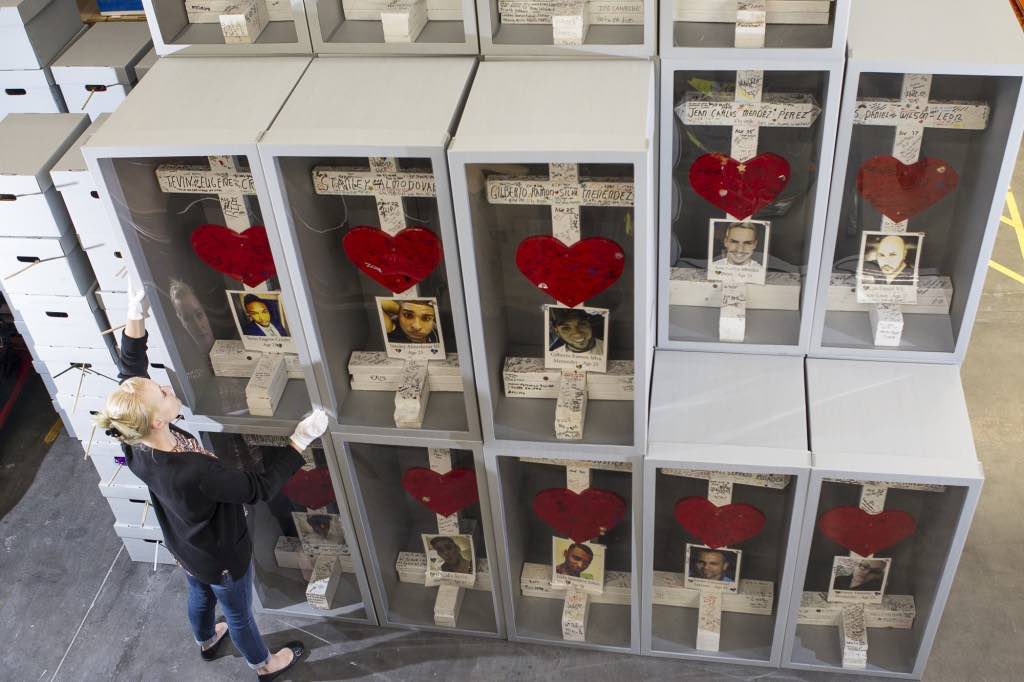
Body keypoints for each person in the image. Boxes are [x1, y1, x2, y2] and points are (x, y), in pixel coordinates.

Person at [93, 281, 326, 681]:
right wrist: (298, 441)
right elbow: (259, 489)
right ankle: (264, 664)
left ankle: (204, 640)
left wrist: (136, 314)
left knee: (199, 593)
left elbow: (129, 371)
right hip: (220, 557)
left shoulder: (133, 439)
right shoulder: (195, 472)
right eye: (163, 393)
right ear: (159, 420)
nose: (167, 388)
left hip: (186, 545)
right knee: (237, 612)